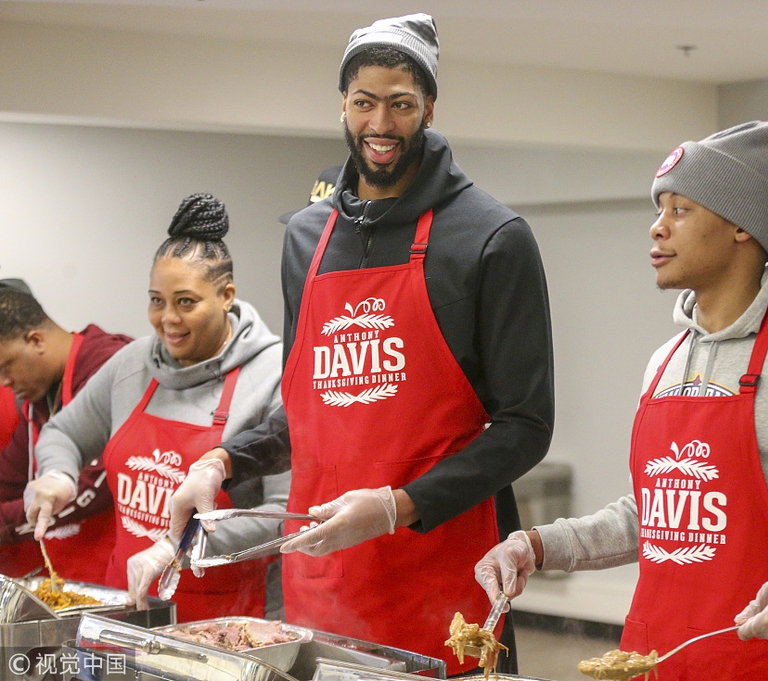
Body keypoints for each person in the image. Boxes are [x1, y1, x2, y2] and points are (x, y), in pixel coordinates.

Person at [475, 122, 768, 681]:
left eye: (681, 210)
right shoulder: (666, 360)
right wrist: (534, 545)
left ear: (742, 225)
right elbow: (656, 516)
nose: (657, 227)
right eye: (658, 208)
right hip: (655, 662)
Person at [168, 13, 554, 674]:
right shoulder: (306, 239)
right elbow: (311, 407)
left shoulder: (491, 238)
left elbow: (525, 427)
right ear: (342, 105)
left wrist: (394, 507)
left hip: (445, 591)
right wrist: (220, 463)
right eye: (364, 102)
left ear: (429, 106)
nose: (381, 123)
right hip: (323, 588)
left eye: (401, 103)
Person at [25, 193, 290, 621]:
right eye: (156, 300)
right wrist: (57, 474)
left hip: (229, 620)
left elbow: (283, 514)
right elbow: (64, 433)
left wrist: (182, 544)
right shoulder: (133, 364)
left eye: (186, 302)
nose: (168, 318)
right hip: (124, 608)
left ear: (226, 295)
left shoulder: (272, 375)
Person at [0, 278, 132, 580]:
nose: (4, 382)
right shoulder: (40, 393)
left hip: (119, 569)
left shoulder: (108, 365)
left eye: (6, 366)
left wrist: (5, 523)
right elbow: (10, 473)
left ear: (35, 341)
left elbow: (92, 485)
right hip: (71, 570)